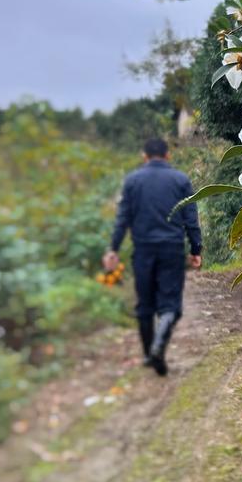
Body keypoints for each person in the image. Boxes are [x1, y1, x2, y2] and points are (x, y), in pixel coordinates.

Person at [103, 138, 202, 376]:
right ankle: (159, 346)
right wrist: (196, 249)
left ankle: (150, 353)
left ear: (144, 156)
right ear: (168, 155)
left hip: (144, 250)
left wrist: (113, 249)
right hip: (171, 249)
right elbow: (191, 218)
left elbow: (122, 219)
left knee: (145, 305)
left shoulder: (132, 181)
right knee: (170, 305)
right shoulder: (180, 180)